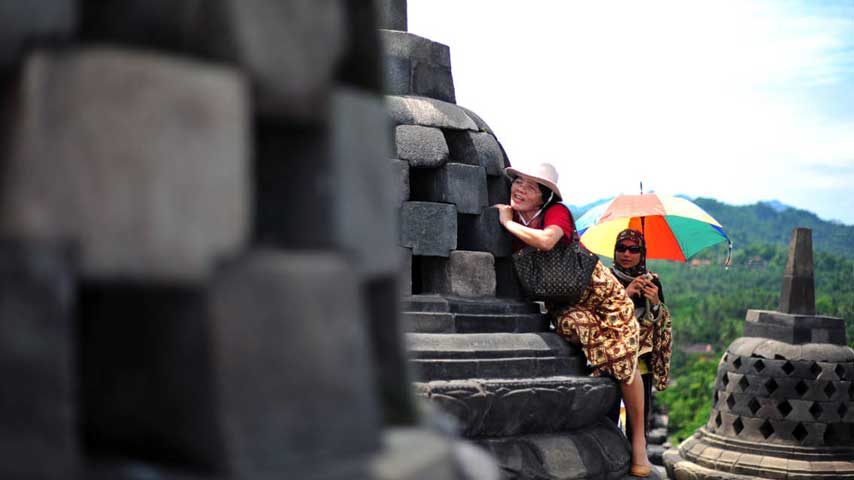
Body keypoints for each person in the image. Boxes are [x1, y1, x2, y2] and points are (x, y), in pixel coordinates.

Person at [494, 162, 653, 477]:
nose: (519, 189)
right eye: (518, 182)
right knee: (585, 336)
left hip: (600, 292)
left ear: (544, 197)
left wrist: (507, 223)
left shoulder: (557, 214)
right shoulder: (518, 215)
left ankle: (638, 440)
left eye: (529, 186)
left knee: (621, 356)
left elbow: (547, 241)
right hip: (564, 302)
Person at [610, 229, 673, 444]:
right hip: (610, 362)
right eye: (621, 248)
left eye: (633, 249)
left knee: (637, 423)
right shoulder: (605, 279)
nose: (626, 254)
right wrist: (625, 295)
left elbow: (660, 323)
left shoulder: (652, 281)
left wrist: (654, 302)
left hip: (641, 362)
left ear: (642, 253)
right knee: (607, 420)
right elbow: (599, 318)